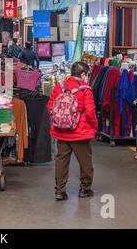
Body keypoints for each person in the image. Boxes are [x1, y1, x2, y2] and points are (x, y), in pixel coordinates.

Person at [47, 62, 97, 201]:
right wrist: (93, 126)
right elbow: (90, 112)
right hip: (80, 133)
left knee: (61, 161)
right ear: (83, 74)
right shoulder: (85, 90)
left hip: (61, 132)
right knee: (85, 162)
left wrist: (60, 121)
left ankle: (60, 191)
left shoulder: (60, 86)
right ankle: (85, 189)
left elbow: (50, 107)